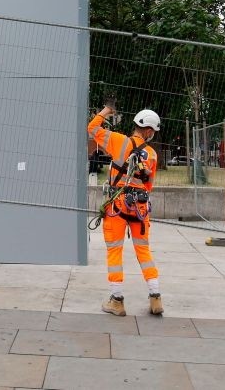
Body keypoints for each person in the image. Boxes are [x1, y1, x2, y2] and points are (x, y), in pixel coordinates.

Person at [88, 102, 163, 317]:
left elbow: (92, 129)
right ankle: (155, 297)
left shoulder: (118, 141)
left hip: (117, 205)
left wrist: (105, 112)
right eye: (153, 132)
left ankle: (117, 300)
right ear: (148, 130)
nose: (153, 136)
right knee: (144, 251)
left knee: (114, 250)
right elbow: (148, 186)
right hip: (140, 208)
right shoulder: (152, 155)